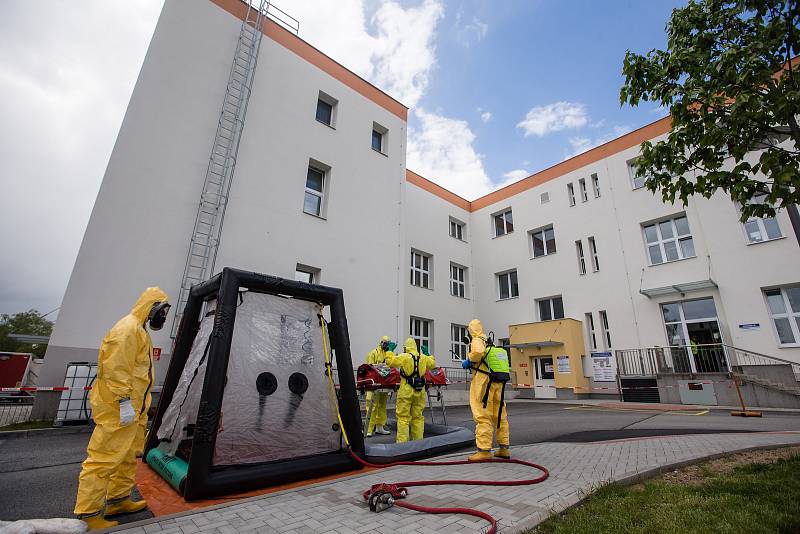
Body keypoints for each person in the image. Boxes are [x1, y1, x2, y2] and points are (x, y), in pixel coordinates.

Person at [74, 287, 170, 530]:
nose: (163, 317)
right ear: (152, 307)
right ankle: (89, 513)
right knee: (103, 458)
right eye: (163, 311)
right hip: (119, 408)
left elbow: (139, 374)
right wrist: (124, 402)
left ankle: (118, 499)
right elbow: (117, 370)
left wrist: (138, 407)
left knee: (127, 455)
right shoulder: (127, 330)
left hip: (133, 408)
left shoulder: (139, 331)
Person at [462, 319, 511, 461]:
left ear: (471, 331)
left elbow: (477, 352)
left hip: (484, 382)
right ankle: (504, 448)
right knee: (500, 414)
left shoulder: (477, 340)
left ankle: (484, 451)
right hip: (498, 381)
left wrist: (469, 361)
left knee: (482, 414)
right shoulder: (490, 341)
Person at [387, 338, 436, 443]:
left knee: (403, 417)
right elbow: (432, 364)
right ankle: (418, 441)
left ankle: (402, 443)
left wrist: (390, 351)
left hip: (406, 390)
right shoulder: (423, 357)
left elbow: (390, 362)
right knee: (418, 417)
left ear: (406, 347)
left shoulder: (404, 357)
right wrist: (427, 353)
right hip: (419, 390)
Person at [364, 336, 396, 437]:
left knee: (382, 406)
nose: (386, 345)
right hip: (373, 384)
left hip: (384, 384)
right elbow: (369, 368)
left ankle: (379, 427)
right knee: (371, 406)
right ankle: (368, 429)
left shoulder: (388, 354)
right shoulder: (374, 353)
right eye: (385, 343)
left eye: (388, 343)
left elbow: (391, 366)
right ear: (381, 342)